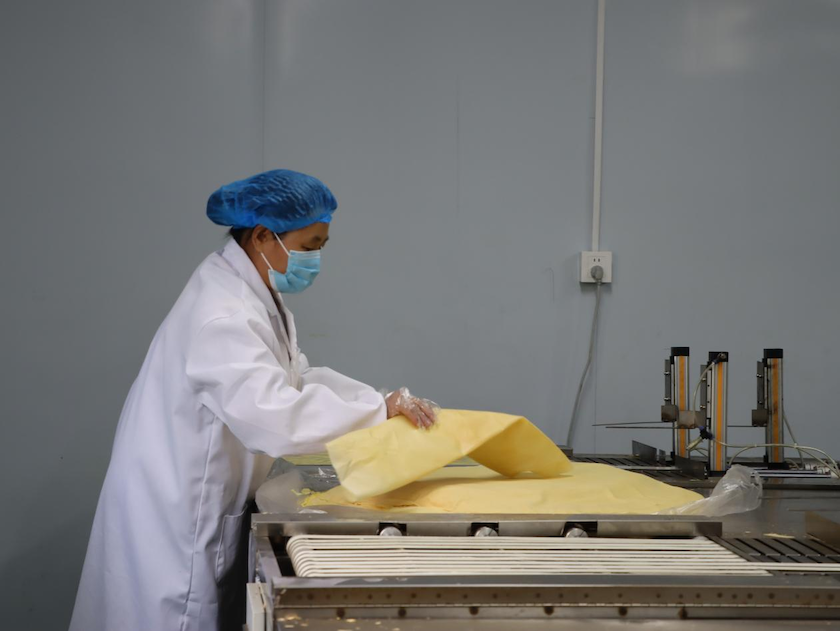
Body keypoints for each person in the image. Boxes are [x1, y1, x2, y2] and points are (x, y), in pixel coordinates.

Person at [69, 169, 437, 631]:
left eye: (322, 246)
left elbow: (293, 379)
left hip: (198, 500)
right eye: (309, 246)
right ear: (263, 235)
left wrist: (379, 400)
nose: (315, 259)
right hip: (176, 514)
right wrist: (377, 413)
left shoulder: (247, 292)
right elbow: (276, 417)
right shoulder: (222, 314)